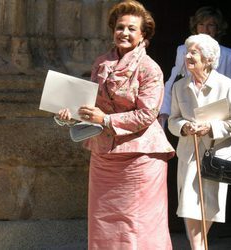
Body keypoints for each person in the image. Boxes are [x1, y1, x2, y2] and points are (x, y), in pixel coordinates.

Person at [57, 1, 175, 249]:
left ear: (143, 34)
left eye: (132, 28)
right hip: (104, 156)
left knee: (137, 225)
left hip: (140, 158)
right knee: (103, 224)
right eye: (120, 27)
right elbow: (91, 107)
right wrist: (68, 114)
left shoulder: (150, 69)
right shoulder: (101, 63)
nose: (125, 33)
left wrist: (106, 120)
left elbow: (146, 115)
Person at [168, 33, 231, 250]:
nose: (188, 56)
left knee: (209, 206)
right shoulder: (178, 86)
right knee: (188, 205)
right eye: (187, 51)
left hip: (216, 155)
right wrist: (184, 126)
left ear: (209, 59)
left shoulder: (228, 86)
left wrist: (211, 127)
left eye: (194, 52)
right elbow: (173, 120)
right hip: (189, 153)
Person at [159, 6, 231, 127]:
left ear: (218, 28)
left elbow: (230, 86)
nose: (205, 29)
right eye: (201, 24)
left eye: (211, 25)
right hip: (187, 111)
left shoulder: (227, 54)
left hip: (214, 115)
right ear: (195, 26)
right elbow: (173, 80)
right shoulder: (183, 50)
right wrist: (164, 111)